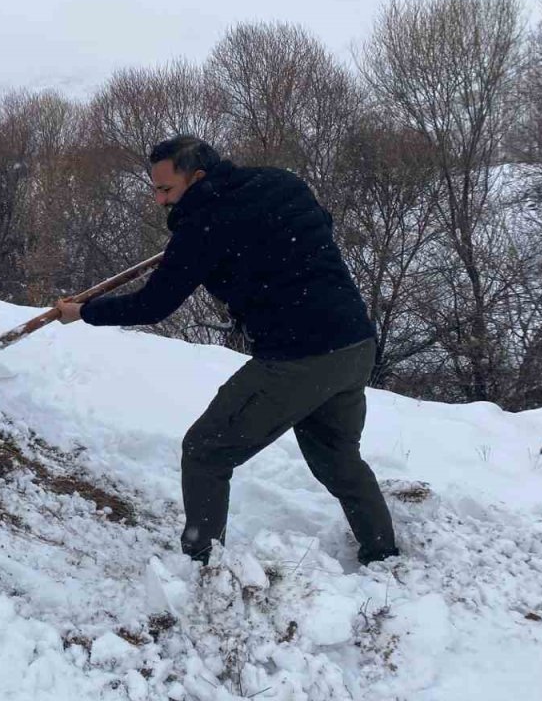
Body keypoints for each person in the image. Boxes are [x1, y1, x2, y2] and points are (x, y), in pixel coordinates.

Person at [56, 135, 400, 566]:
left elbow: (153, 306)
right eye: (155, 190)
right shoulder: (280, 182)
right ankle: (383, 552)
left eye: (166, 189)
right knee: (338, 458)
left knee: (206, 451)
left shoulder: (203, 225)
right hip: (355, 344)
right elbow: (320, 225)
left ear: (197, 177)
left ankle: (203, 563)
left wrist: (83, 312)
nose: (160, 201)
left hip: (298, 358)